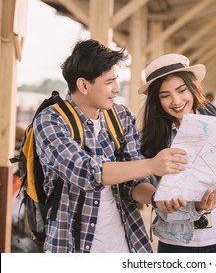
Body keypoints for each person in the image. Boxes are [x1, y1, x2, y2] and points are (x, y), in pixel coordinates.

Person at [33, 39, 188, 253]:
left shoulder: (122, 116)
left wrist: (156, 198)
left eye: (116, 80)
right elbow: (86, 173)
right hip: (70, 246)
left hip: (126, 245)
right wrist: (152, 165)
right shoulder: (50, 120)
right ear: (84, 85)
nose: (117, 88)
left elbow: (132, 183)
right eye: (109, 82)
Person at [138, 54, 216, 253]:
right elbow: (154, 195)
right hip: (176, 242)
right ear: (156, 99)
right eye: (165, 95)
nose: (176, 101)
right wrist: (193, 206)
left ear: (192, 87)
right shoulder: (152, 137)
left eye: (181, 90)